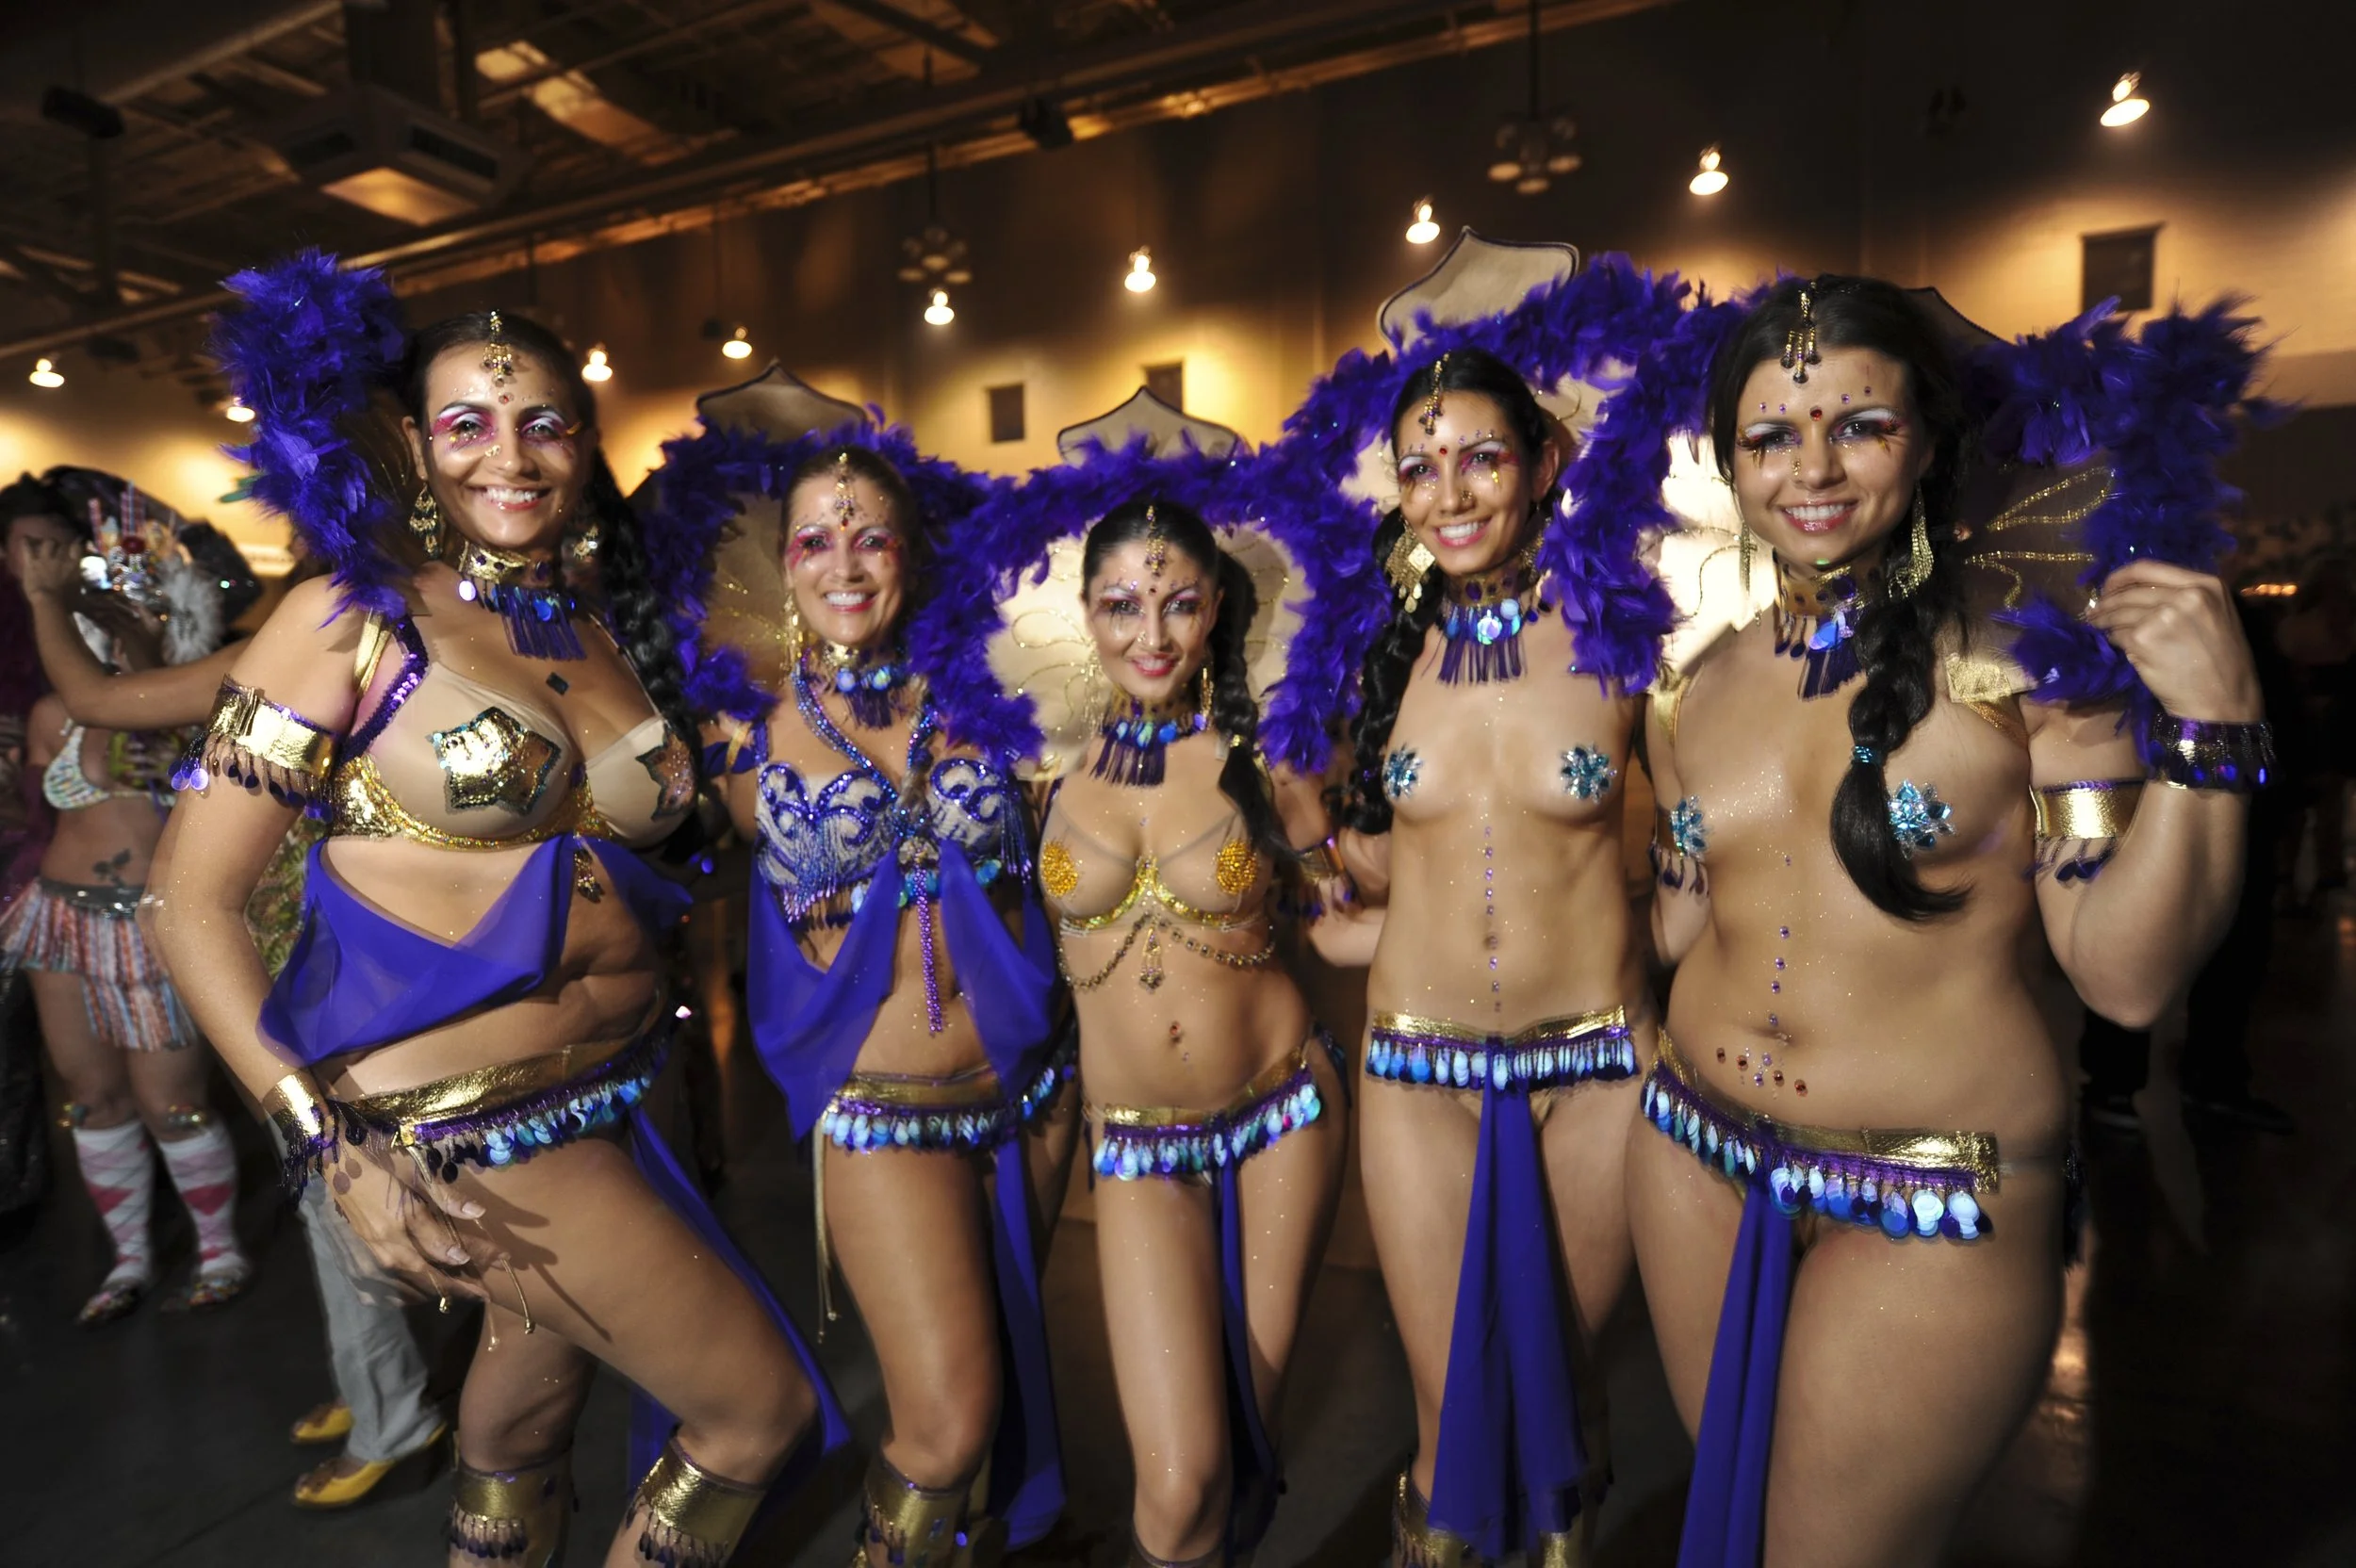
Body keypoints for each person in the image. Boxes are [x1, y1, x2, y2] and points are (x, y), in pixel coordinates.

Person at [151, 257, 844, 1567]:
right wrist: (329, 1147)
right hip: (463, 1121)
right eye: (467, 422)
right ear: (415, 442)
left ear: (584, 440)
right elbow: (189, 899)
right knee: (757, 1416)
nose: (509, 456)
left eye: (541, 423)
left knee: (526, 1421)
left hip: (617, 1088)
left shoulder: (601, 622)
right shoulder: (348, 618)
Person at [1629, 275, 2266, 1564]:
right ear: (1730, 463)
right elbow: (1679, 928)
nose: (1813, 469)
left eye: (1858, 425)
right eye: (1771, 437)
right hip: (1692, 1156)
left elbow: (2127, 979)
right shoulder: (1691, 686)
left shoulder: (2030, 677)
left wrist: (2215, 732)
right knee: (1738, 1526)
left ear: (1925, 441)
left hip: (1932, 1192)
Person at [8, 530, 450, 1507]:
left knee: (349, 1191)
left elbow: (98, 702)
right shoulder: (364, 624)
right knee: (332, 1193)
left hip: (347, 963)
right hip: (311, 955)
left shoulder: (323, 630)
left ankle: (396, 1415)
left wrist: (44, 598)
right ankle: (373, 1382)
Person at [706, 435, 1075, 1565]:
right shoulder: (736, 737)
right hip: (880, 1104)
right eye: (817, 539)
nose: (846, 562)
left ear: (909, 552)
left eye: (871, 535)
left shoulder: (993, 702)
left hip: (1030, 1090)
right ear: (787, 567)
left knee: (997, 1393)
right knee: (943, 1418)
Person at [1331, 347, 1650, 1565]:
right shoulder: (1378, 658)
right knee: (1447, 1409)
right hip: (1417, 1068)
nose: (1449, 494)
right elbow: (1371, 863)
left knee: (1559, 1390)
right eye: (1420, 467)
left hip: (1598, 1069)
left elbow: (1696, 850)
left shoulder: (1627, 642)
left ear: (1547, 463)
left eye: (1481, 459)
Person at [1031, 499, 1350, 1567]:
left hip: (1280, 1117)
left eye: (1176, 604)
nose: (1152, 635)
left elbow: (1352, 916)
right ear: (1086, 614)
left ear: (1215, 608)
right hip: (1133, 1144)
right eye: (1122, 606)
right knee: (1175, 1482)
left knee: (1235, 1450)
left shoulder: (1271, 760)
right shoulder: (1043, 778)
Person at [0, 471, 253, 1324]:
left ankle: (219, 1248)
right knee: (93, 1098)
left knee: (170, 1103)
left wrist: (133, 638)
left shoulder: (178, 708)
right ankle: (131, 1259)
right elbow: (35, 818)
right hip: (60, 922)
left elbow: (143, 721)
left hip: (149, 927)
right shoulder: (47, 715)